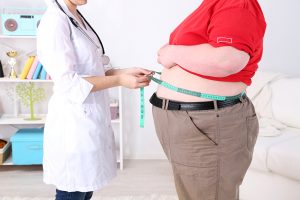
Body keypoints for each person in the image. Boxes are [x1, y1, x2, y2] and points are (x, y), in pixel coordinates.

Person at [150, 0, 266, 199]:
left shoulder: (238, 3)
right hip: (187, 120)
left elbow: (226, 60)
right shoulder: (212, 4)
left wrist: (173, 51)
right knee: (194, 192)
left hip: (206, 122)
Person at [37, 0, 151, 199]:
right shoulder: (55, 22)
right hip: (72, 123)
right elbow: (69, 82)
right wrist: (120, 80)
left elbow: (94, 69)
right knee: (72, 190)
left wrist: (127, 72)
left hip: (90, 118)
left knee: (85, 187)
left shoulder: (76, 18)